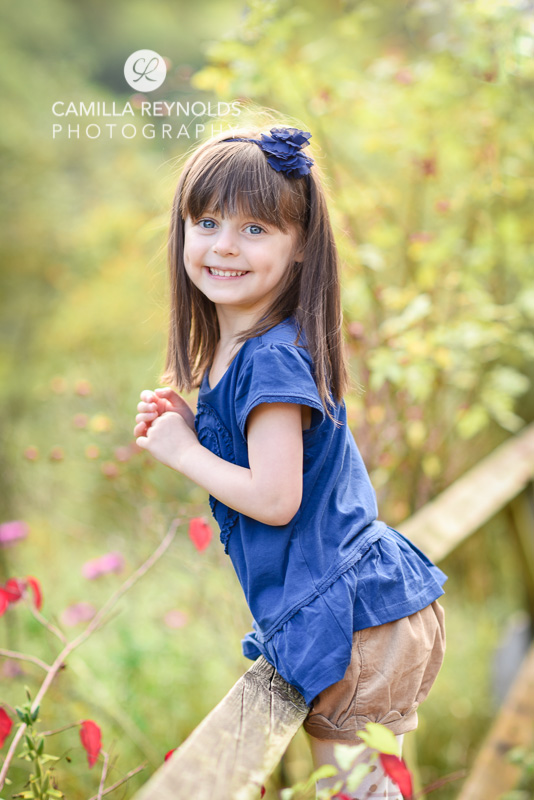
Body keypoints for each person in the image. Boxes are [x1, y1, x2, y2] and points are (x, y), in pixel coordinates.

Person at [133, 123, 447, 798]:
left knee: (355, 791)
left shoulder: (271, 357)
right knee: (362, 788)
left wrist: (184, 452)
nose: (223, 245)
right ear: (182, 229)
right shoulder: (244, 351)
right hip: (355, 607)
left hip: (353, 618)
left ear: (300, 243)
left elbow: (277, 498)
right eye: (208, 221)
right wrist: (197, 426)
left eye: (255, 229)